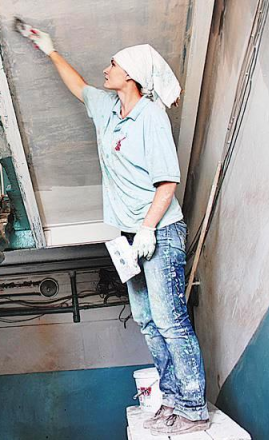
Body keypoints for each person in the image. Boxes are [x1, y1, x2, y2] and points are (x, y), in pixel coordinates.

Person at [26, 29, 210, 435]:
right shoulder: (109, 108)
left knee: (170, 320)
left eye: (114, 64)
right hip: (129, 237)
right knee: (146, 320)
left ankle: (193, 407)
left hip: (159, 231)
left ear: (132, 74)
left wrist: (148, 229)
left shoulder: (151, 116)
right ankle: (171, 397)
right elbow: (79, 87)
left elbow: (167, 182)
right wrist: (51, 50)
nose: (106, 68)